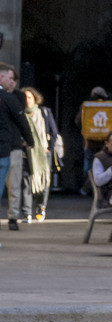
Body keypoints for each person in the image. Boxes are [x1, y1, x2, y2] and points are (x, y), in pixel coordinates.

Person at [20, 89, 61, 224]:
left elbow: (54, 132)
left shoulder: (44, 112)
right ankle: (26, 213)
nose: (27, 100)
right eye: (25, 97)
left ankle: (40, 208)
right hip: (26, 154)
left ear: (35, 99)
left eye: (29, 97)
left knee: (43, 183)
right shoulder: (20, 113)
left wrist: (49, 148)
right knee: (26, 183)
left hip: (43, 154)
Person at [0, 66, 28, 233]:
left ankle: (13, 216)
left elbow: (20, 116)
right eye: (8, 78)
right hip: (4, 144)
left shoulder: (17, 96)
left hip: (14, 145)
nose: (11, 81)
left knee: (14, 183)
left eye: (13, 79)